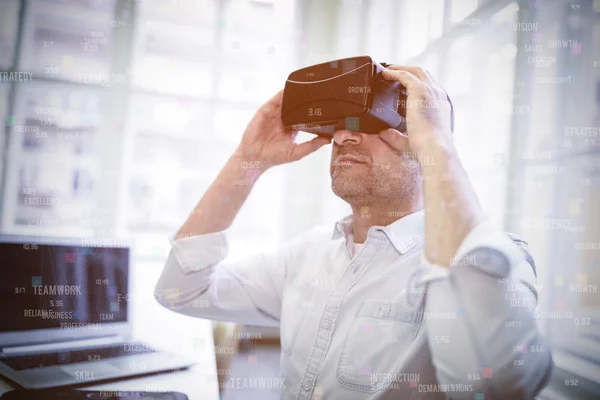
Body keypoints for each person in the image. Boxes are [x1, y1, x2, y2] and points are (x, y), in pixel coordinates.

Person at [154, 65, 553, 399]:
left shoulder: (493, 259)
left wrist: (438, 145)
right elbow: (180, 291)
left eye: (369, 120)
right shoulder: (307, 255)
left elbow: (495, 385)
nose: (343, 136)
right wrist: (248, 160)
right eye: (338, 126)